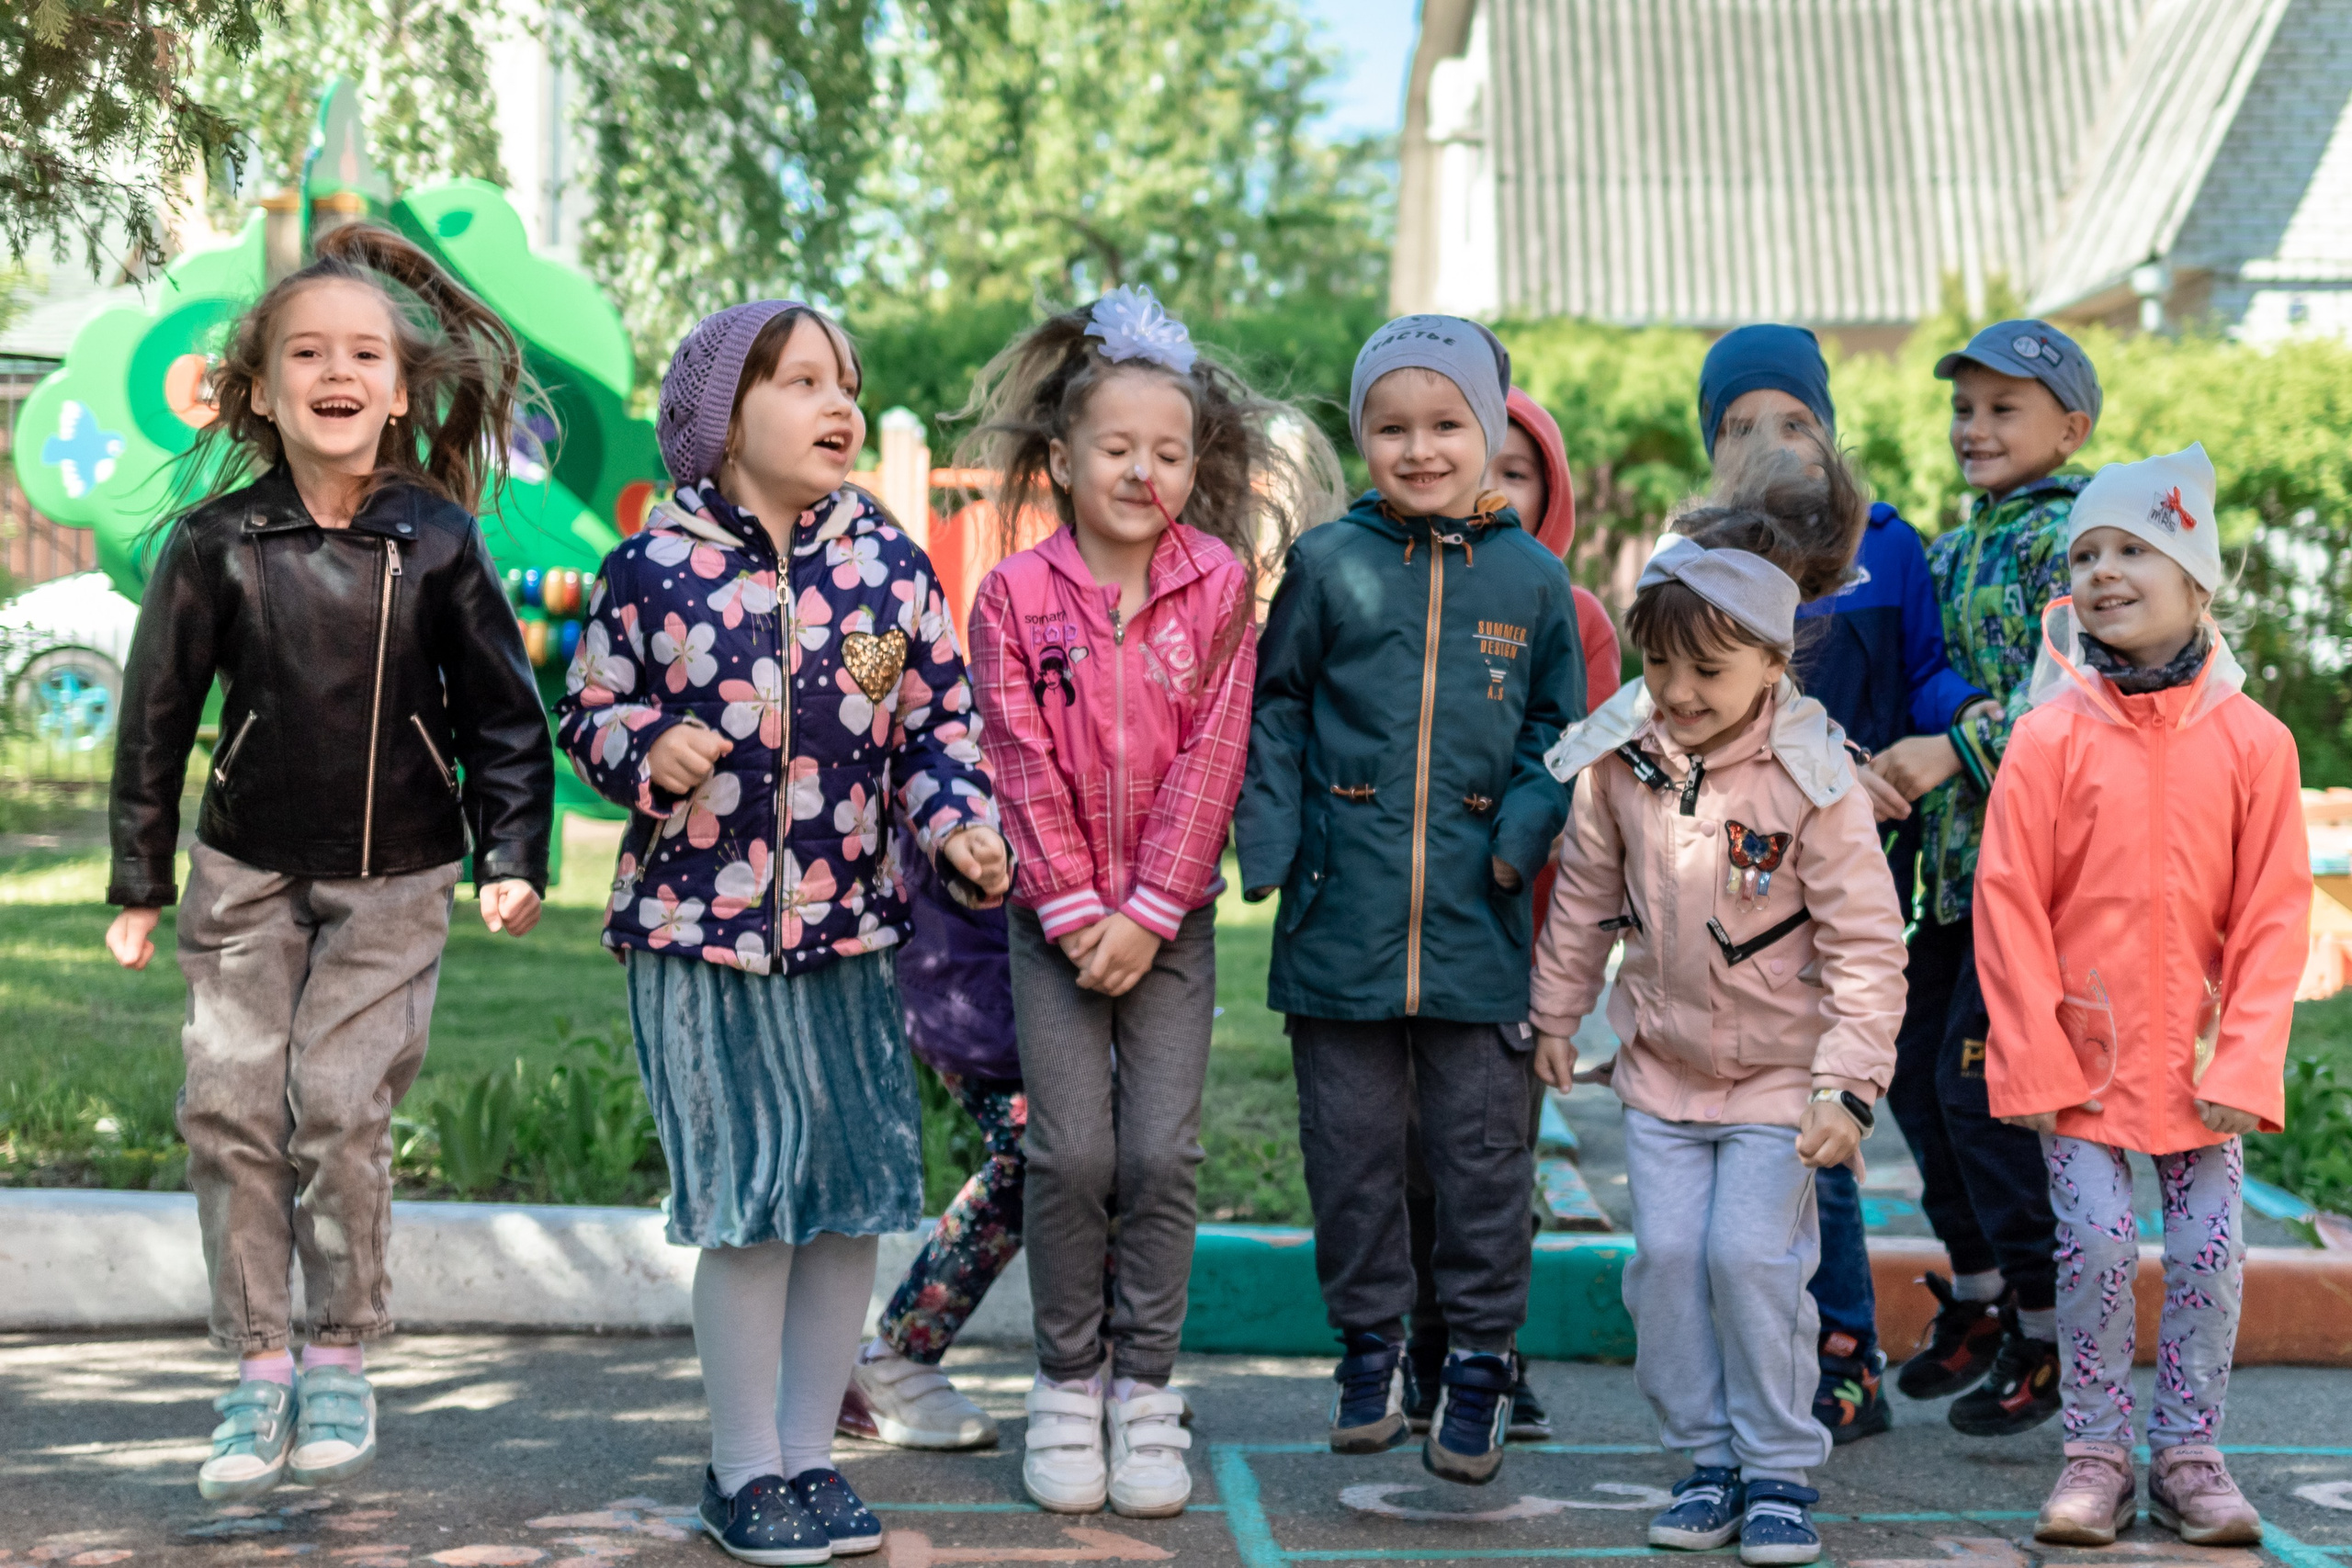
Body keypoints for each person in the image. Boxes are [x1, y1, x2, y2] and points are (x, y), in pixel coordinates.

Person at [555, 300, 1012, 1565]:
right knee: (752, 1203)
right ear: (721, 421)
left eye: (845, 381)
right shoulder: (653, 565)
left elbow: (934, 729)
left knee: (849, 1201)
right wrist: (651, 745)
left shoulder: (888, 566)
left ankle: (812, 1460)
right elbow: (587, 712)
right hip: (696, 936)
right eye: (801, 379)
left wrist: (963, 826)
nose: (837, 402)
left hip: (853, 933)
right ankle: (742, 1466)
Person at [102, 222, 554, 1501]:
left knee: (339, 1104)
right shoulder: (215, 545)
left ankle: (342, 1346)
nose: (336, 370)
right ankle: (257, 1369)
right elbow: (154, 719)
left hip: (397, 873)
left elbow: (505, 715)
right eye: (307, 352)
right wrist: (139, 879)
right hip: (245, 870)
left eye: (363, 352)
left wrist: (512, 850)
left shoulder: (440, 541)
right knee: (233, 1104)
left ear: (402, 389)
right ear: (258, 387)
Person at [962, 287, 1337, 1519]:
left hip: (1166, 928)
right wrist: (1078, 911)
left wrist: (1150, 907)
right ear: (1064, 459)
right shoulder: (1014, 597)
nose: (1143, 469)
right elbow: (1016, 758)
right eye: (1117, 449)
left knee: (1162, 1151)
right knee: (1071, 1150)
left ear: (1198, 463)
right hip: (1053, 925)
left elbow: (1213, 754)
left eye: (1168, 452)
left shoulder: (1222, 584)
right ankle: (1067, 1382)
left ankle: (1143, 1385)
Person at [1530, 437, 1905, 1566]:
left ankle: (1779, 1466)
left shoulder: (1815, 778)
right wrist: (1554, 1014)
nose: (1680, 696)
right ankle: (1705, 1461)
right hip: (1662, 1071)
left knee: (1751, 1262)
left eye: (1709, 672)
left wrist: (1848, 1084)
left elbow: (1865, 943)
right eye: (1662, 670)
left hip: (1783, 1082)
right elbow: (1586, 899)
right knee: (1669, 1270)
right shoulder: (1623, 761)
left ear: (1773, 662)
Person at [1235, 315, 1587, 1489]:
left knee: (1483, 1162)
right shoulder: (1327, 564)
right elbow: (1276, 704)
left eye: (1447, 425)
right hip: (1339, 927)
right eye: (1392, 425)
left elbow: (1559, 735)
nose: (1420, 448)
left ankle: (1479, 1363)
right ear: (1362, 436)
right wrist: (1277, 839)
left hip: (1479, 935)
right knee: (1349, 1154)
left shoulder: (1534, 583)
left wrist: (1522, 832)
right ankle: (1369, 1351)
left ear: (1490, 432)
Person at [1975, 445, 2308, 1549]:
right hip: (2082, 1064)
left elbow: (2273, 912)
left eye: (2133, 548)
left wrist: (2245, 1061)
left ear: (2196, 577)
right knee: (2097, 1246)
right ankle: (2095, 1454)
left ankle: (2190, 1454)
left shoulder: (2255, 744)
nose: (2104, 571)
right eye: (2087, 554)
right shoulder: (2047, 737)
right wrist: (2029, 1058)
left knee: (2212, 1254)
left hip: (2205, 1064)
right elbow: (2009, 902)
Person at [1696, 324, 1988, 1446]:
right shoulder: (1707, 567)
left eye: (1793, 421)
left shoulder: (1892, 549)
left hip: (1866, 889)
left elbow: (1923, 671)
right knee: (1783, 1120)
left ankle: (1843, 1353)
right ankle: (1805, 1346)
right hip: (1747, 894)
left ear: (1830, 435)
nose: (1769, 444)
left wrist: (1965, 717)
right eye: (1737, 427)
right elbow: (1701, 712)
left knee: (1820, 1115)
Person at [1871, 321, 2101, 1438]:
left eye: (2004, 408)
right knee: (1908, 1073)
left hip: (2040, 887)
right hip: (1955, 884)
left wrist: (1949, 751)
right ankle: (1978, 1296)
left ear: (2072, 427)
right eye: (1964, 407)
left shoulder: (2078, 544)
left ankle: (2050, 1333)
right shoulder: (1954, 550)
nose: (1974, 427)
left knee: (1981, 1096)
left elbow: (2076, 698)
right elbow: (1926, 675)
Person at [1398, 386, 1623, 1443]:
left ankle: (1493, 1348)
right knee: (1406, 1156)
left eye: (1519, 471)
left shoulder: (1572, 618)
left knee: (1490, 1152)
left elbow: (1587, 764)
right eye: (1482, 461)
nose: (1493, 486)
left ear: (1552, 495)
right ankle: (1423, 1344)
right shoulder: (1396, 591)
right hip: (1398, 927)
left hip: (1515, 932)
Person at [837, 847, 1023, 1452]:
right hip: (973, 954)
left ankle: (1106, 1369)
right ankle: (895, 1360)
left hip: (1068, 941)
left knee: (1117, 1142)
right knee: (1035, 1147)